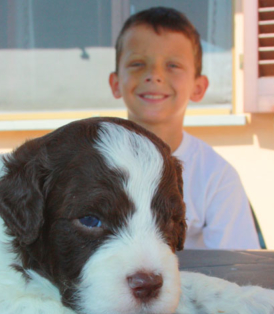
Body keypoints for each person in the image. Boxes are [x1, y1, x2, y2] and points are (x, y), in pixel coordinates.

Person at [108, 7, 260, 250]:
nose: (154, 75)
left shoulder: (216, 176)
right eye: (137, 63)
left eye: (173, 65)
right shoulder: (89, 161)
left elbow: (236, 268)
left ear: (198, 87)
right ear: (116, 84)